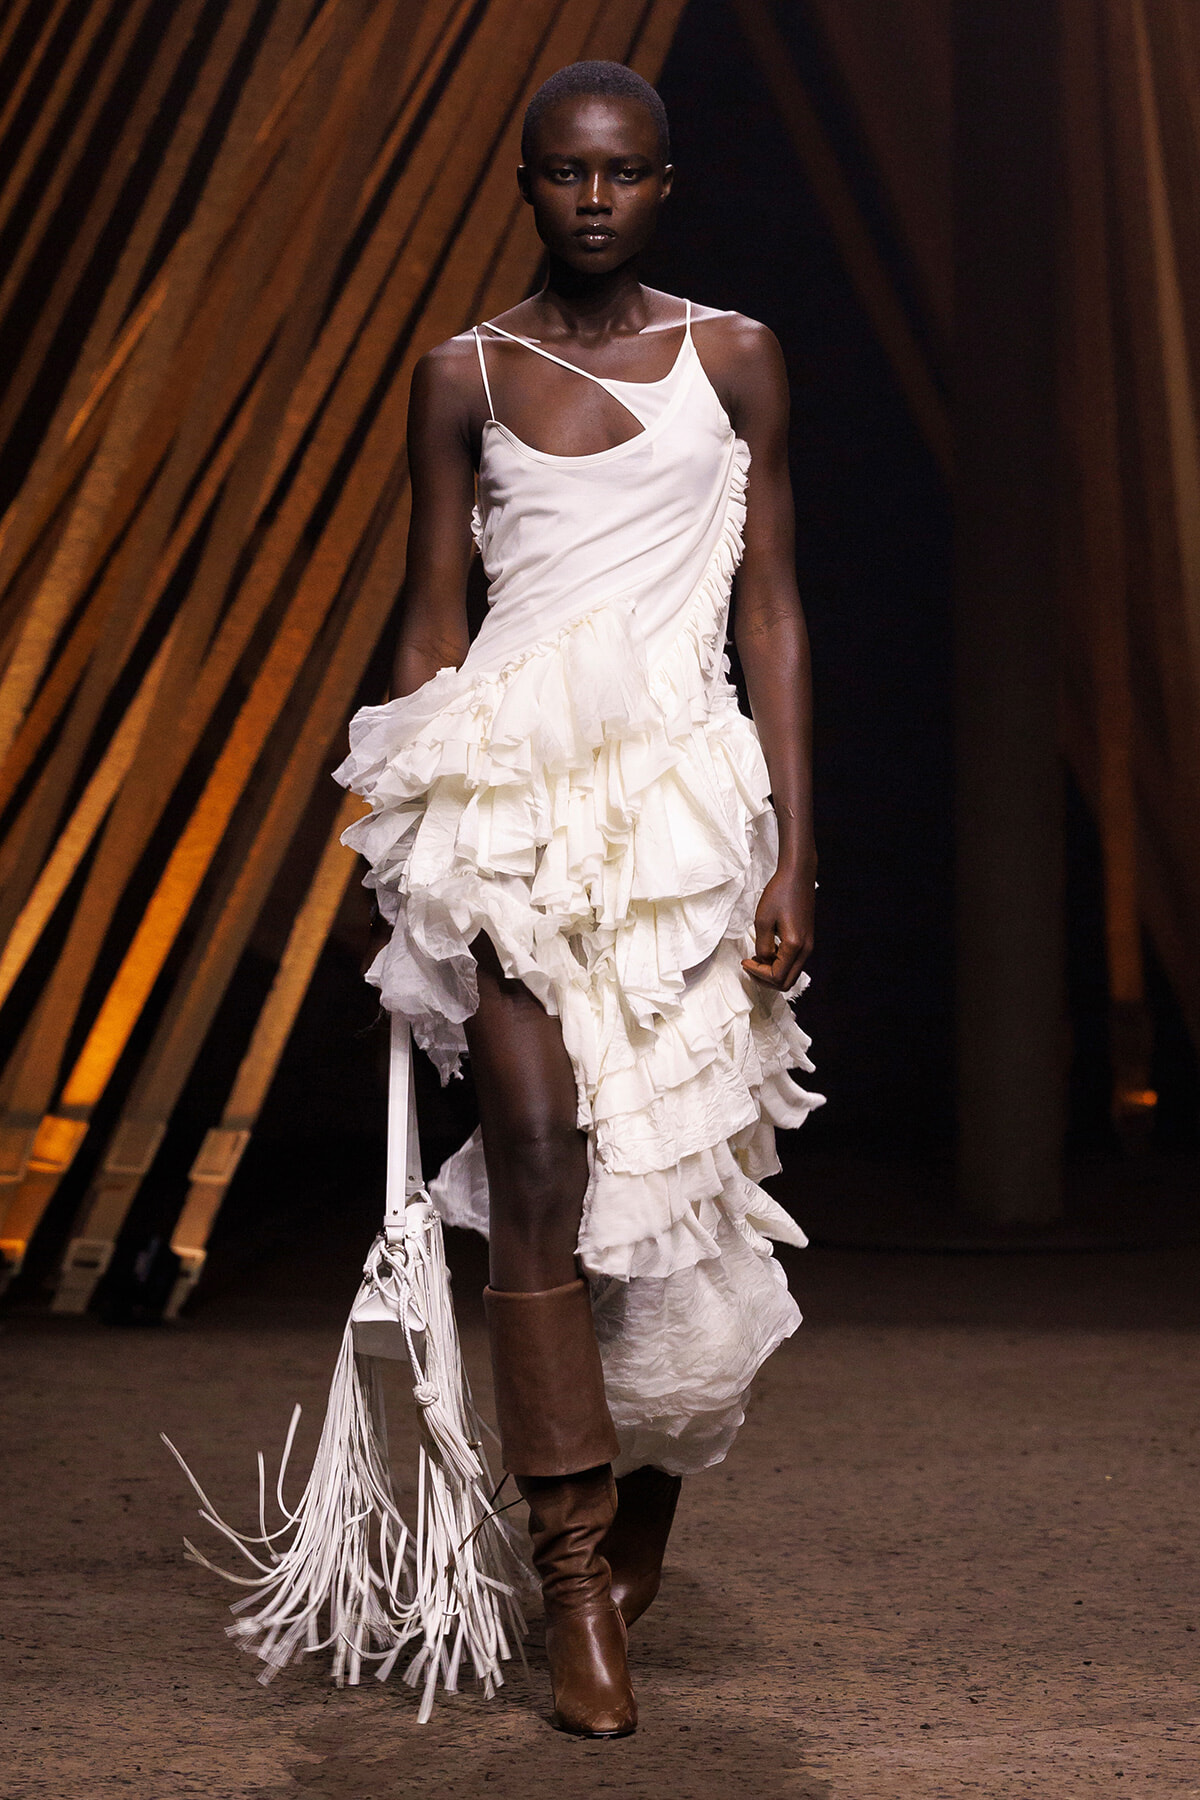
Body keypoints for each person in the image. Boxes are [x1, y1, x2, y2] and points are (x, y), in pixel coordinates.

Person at [336, 59, 822, 1739]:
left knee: (670, 1189)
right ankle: (569, 1580)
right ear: (528, 184)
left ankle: (641, 1533)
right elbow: (428, 616)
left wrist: (793, 850)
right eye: (564, 173)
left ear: (666, 184)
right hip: (516, 803)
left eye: (621, 173)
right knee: (538, 1159)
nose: (593, 199)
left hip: (687, 809)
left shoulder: (738, 355)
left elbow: (773, 611)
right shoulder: (460, 370)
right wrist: (404, 838)